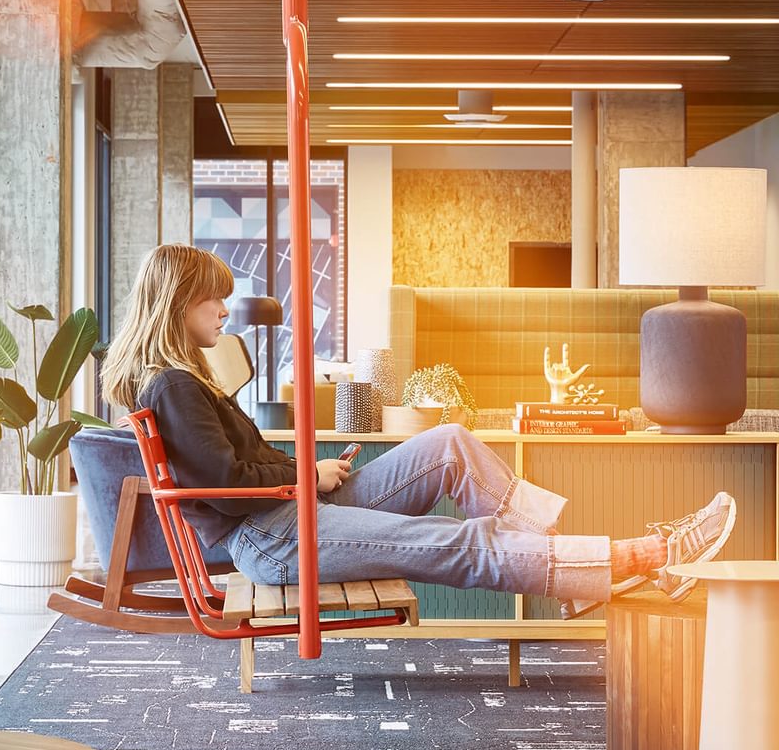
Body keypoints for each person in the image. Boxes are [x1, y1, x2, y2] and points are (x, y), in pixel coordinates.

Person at [101, 245, 737, 620]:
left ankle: (568, 564)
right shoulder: (175, 384)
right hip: (271, 538)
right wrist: (306, 475)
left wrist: (312, 479)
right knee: (455, 540)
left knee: (448, 442)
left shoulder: (182, 381)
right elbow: (221, 483)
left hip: (291, 513)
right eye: (213, 299)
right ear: (179, 303)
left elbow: (234, 467)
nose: (222, 309)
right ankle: (642, 557)